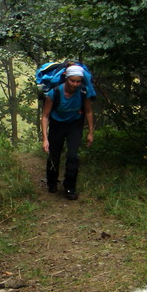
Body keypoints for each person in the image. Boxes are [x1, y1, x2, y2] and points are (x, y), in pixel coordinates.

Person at [41, 64, 95, 200]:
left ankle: (70, 187)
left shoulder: (83, 91)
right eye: (72, 81)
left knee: (72, 156)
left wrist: (90, 132)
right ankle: (52, 182)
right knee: (54, 155)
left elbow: (88, 111)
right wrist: (45, 138)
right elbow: (45, 116)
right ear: (66, 78)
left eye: (78, 81)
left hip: (74, 125)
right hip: (57, 125)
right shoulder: (55, 92)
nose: (75, 84)